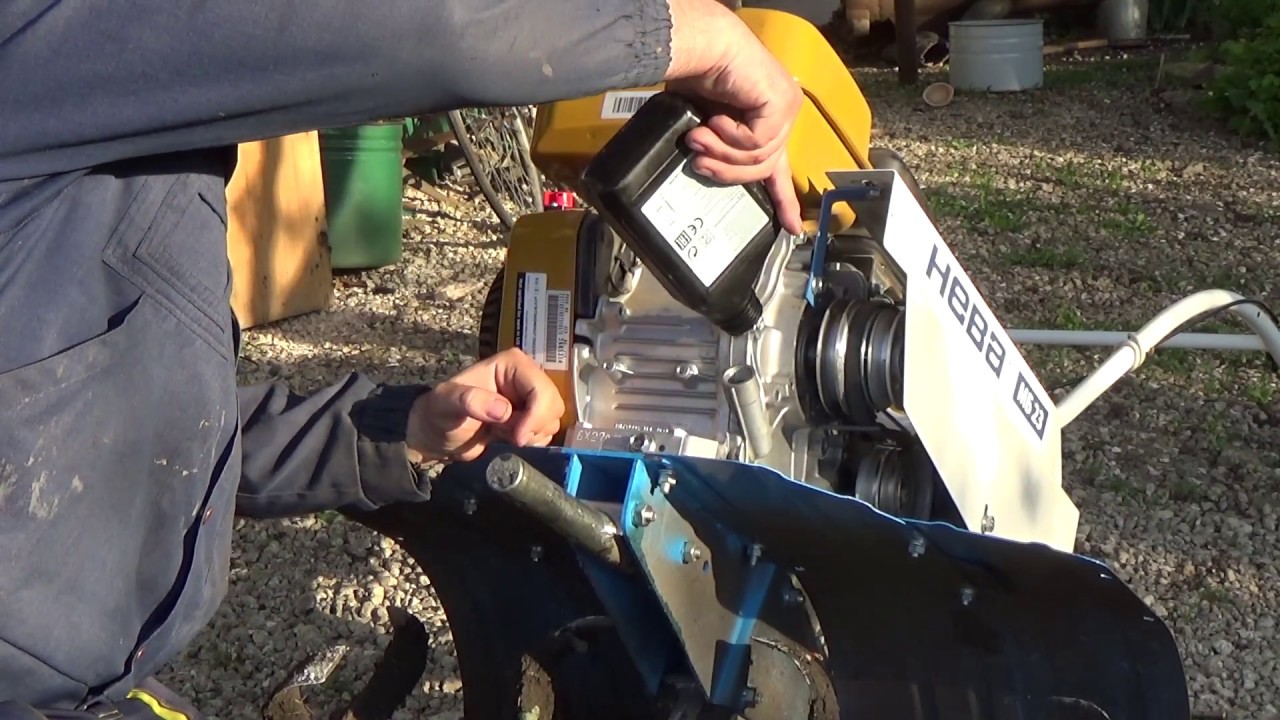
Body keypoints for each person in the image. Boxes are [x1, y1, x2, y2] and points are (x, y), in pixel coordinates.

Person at [0, 0, 803, 716]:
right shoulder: (52, 32)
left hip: (105, 684)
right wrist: (699, 35)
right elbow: (438, 30)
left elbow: (117, 414)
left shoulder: (109, 126)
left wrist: (403, 428)